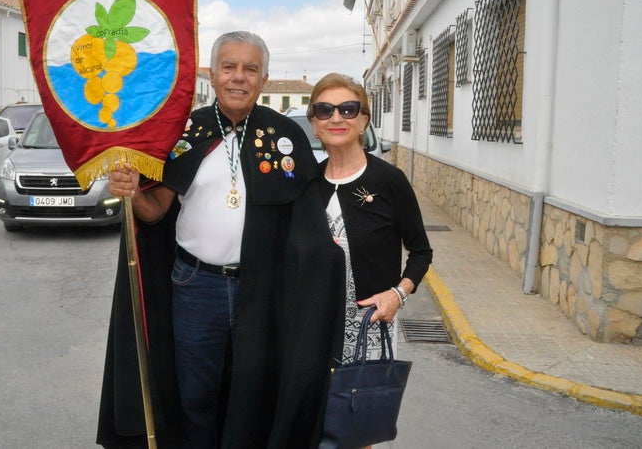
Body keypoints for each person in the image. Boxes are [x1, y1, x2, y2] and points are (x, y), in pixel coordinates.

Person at [96, 32, 345, 449]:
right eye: (229, 66)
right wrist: (132, 189)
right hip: (196, 286)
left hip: (264, 289)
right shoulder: (182, 131)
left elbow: (307, 221)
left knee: (255, 394)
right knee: (196, 394)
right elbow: (155, 211)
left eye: (250, 69)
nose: (239, 77)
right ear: (213, 74)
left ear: (264, 78)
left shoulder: (286, 134)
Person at [307, 73, 432, 444]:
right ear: (314, 123)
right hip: (315, 327)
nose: (336, 118)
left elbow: (421, 250)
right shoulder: (308, 183)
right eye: (324, 110)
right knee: (316, 423)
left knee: (357, 428)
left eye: (348, 108)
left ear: (364, 119)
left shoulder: (389, 180)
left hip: (369, 326)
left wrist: (398, 293)